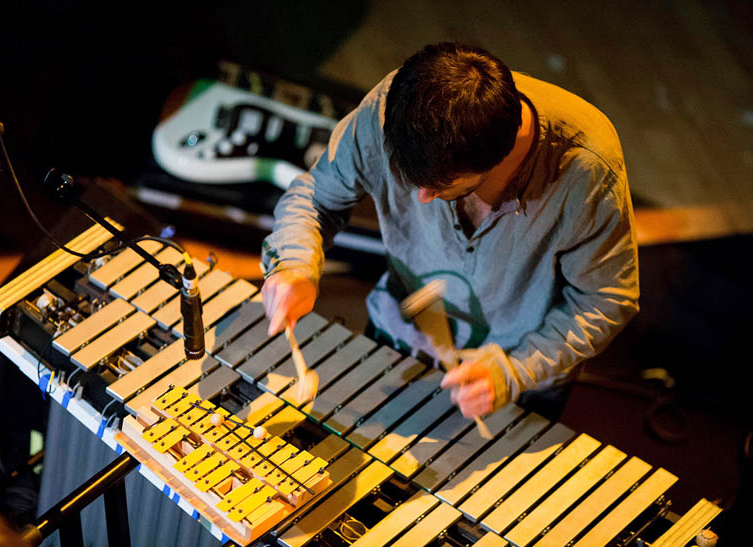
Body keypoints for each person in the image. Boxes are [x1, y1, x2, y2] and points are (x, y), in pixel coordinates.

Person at [261, 42, 638, 421]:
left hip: (511, 378)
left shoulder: (587, 171)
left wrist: (513, 372)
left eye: (439, 186)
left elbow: (604, 301)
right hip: (396, 341)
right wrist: (293, 261)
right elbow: (317, 194)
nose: (421, 198)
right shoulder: (392, 107)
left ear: (499, 156)